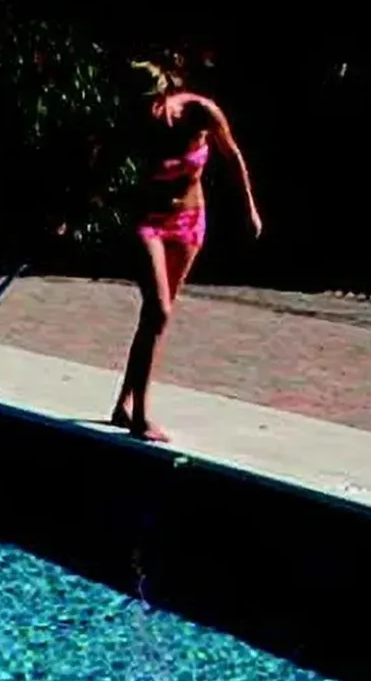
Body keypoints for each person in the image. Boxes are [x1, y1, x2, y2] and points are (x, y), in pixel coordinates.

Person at [110, 56, 263, 441]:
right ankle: (141, 418)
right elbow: (101, 171)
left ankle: (124, 404)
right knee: (158, 309)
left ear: (164, 96)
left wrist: (249, 210)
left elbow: (232, 156)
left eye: (151, 105)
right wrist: (67, 216)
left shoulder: (200, 112)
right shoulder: (134, 127)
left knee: (157, 319)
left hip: (190, 224)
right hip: (149, 222)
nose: (147, 114)